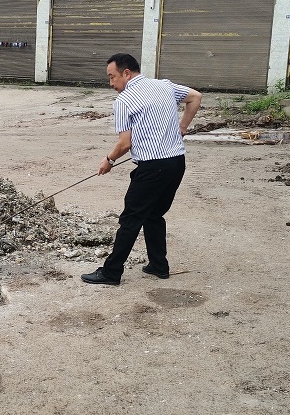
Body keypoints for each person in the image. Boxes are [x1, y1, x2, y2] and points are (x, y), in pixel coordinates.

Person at [81, 53, 202, 286]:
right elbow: (195, 97)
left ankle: (111, 272)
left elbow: (124, 144)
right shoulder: (164, 86)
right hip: (176, 163)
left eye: (112, 77)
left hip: (153, 168)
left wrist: (109, 160)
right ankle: (159, 265)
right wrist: (182, 127)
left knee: (131, 219)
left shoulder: (124, 100)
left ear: (126, 73)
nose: (111, 83)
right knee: (154, 214)